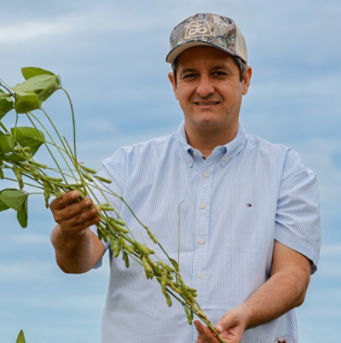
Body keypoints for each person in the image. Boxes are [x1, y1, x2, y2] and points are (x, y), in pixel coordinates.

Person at [50, 13, 321, 343]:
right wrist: (69, 229)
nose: (204, 88)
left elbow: (294, 277)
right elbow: (77, 260)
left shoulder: (286, 170)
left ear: (245, 80)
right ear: (173, 85)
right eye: (191, 75)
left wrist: (245, 315)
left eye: (219, 74)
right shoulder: (125, 167)